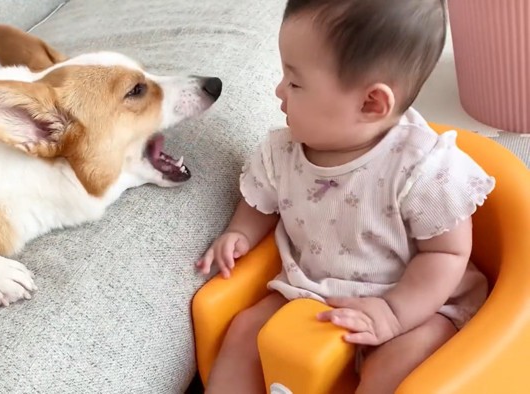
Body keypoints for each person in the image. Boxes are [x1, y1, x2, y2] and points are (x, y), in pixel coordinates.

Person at [195, 1, 495, 393]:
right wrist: (240, 233)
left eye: (296, 82)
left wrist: (393, 313)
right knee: (244, 333)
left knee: (395, 368)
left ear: (371, 103)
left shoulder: (424, 170)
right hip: (311, 290)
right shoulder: (281, 152)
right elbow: (260, 201)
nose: (278, 90)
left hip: (413, 306)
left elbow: (447, 254)